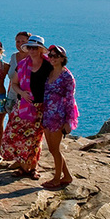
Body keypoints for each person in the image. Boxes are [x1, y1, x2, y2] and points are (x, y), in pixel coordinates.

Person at [1, 35, 53, 179]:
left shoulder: (49, 65)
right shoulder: (22, 64)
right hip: (22, 106)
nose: (32, 50)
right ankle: (23, 167)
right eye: (30, 47)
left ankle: (33, 168)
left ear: (41, 49)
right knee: (18, 136)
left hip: (40, 107)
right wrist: (22, 93)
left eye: (35, 48)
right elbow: (15, 84)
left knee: (35, 139)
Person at [41, 45, 79, 189]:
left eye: (56, 56)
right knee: (51, 149)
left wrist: (69, 121)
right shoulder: (49, 72)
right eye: (50, 55)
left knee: (55, 149)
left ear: (63, 58)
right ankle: (67, 176)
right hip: (47, 114)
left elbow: (70, 100)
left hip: (59, 116)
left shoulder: (67, 76)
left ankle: (57, 179)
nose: (52, 58)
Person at [5, 31, 32, 112]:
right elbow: (12, 79)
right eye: (18, 41)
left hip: (27, 99)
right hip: (12, 97)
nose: (20, 44)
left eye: (23, 41)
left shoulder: (33, 58)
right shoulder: (13, 57)